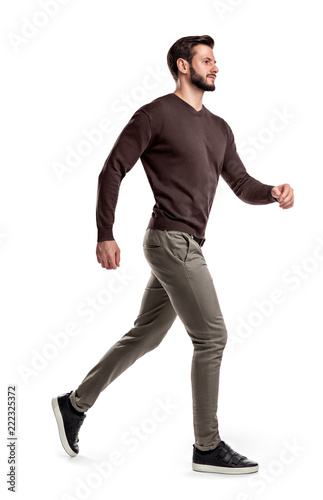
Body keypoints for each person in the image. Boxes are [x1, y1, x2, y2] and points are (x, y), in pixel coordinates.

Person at [52, 35, 294, 475]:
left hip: (184, 244)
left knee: (146, 334)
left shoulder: (219, 128)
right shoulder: (155, 115)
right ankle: (207, 445)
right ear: (183, 66)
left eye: (216, 60)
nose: (215, 67)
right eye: (207, 60)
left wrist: (272, 192)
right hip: (171, 241)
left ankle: (74, 404)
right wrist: (104, 232)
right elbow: (113, 169)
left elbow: (240, 184)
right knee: (212, 337)